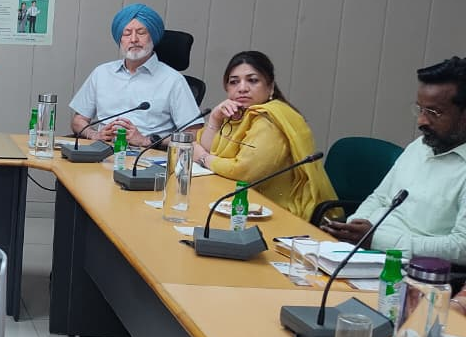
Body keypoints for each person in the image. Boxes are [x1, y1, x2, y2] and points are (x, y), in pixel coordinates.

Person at [321, 57, 466, 264]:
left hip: (410, 269)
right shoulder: (420, 146)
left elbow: (461, 247)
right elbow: (379, 198)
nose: (421, 121)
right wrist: (354, 227)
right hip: (363, 253)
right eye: (420, 109)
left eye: (434, 113)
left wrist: (377, 240)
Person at [192, 51, 336, 220]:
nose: (242, 88)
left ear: (271, 87)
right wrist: (215, 119)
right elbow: (208, 148)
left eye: (253, 80)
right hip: (238, 203)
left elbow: (243, 172)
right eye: (234, 82)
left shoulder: (270, 120)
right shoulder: (236, 114)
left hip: (278, 212)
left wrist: (203, 158)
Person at [69, 3, 202, 147]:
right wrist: (94, 134)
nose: (133, 39)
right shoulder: (101, 73)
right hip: (102, 151)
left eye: (141, 32)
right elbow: (78, 120)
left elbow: (194, 133)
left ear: (153, 37)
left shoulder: (173, 80)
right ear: (120, 39)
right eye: (127, 33)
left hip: (148, 154)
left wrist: (146, 140)